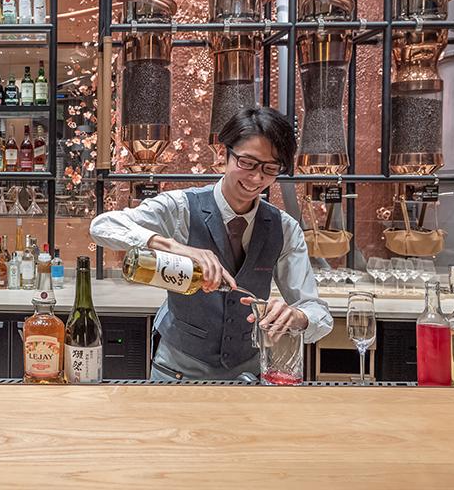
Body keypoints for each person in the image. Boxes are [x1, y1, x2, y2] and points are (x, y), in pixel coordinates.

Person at [90, 107, 332, 380]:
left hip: (248, 374)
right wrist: (172, 246)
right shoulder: (181, 206)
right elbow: (102, 226)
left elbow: (317, 311)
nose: (256, 178)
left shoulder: (284, 228)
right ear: (223, 154)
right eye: (247, 163)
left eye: (270, 169)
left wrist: (297, 316)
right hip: (177, 371)